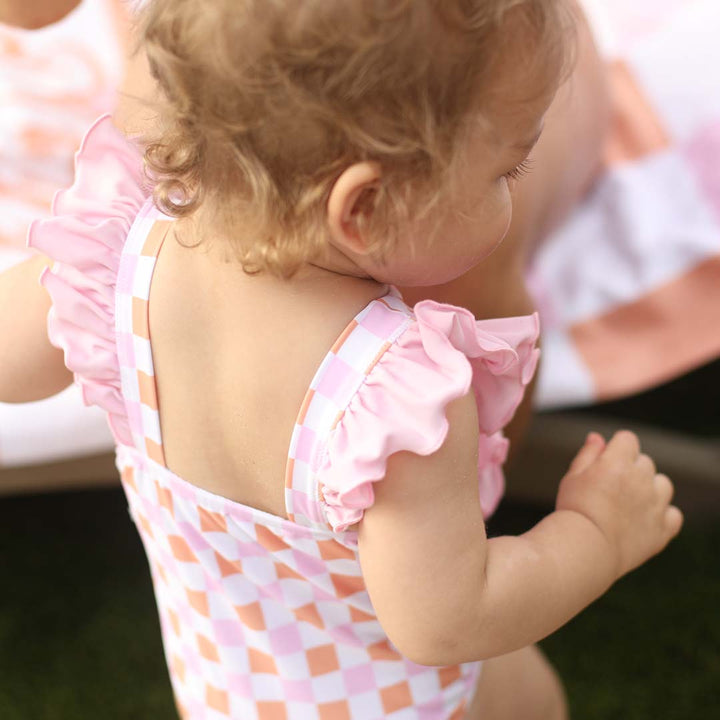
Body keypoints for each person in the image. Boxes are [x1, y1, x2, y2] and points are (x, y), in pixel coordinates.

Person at [0, 1, 682, 718]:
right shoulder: (395, 403)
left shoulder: (114, 263)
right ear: (364, 208)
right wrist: (597, 536)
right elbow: (446, 621)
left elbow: (12, 366)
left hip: (228, 688)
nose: (511, 194)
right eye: (505, 173)